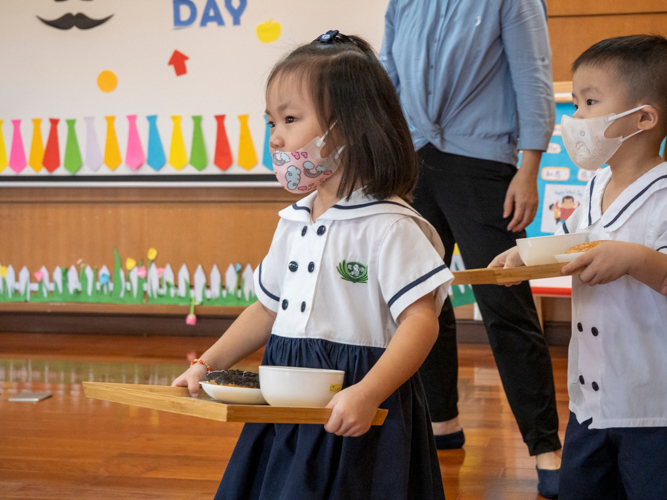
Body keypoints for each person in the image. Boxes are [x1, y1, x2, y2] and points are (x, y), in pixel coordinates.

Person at [173, 31, 454, 500]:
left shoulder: (390, 225)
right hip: (285, 398)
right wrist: (207, 364)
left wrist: (366, 393)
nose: (276, 136)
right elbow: (266, 310)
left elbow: (421, 322)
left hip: (359, 400)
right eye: (271, 122)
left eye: (289, 118)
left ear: (346, 128)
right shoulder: (293, 221)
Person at [380, 1, 562, 497]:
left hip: (484, 163)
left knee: (507, 306)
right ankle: (442, 422)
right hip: (413, 163)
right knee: (423, 302)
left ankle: (546, 448)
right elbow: (387, 78)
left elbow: (532, 75)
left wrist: (530, 168)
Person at [491, 34, 667, 499]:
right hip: (589, 401)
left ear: (644, 117)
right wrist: (527, 255)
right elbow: (579, 244)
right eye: (576, 103)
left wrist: (635, 259)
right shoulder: (594, 184)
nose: (576, 120)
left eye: (590, 102)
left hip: (653, 411)